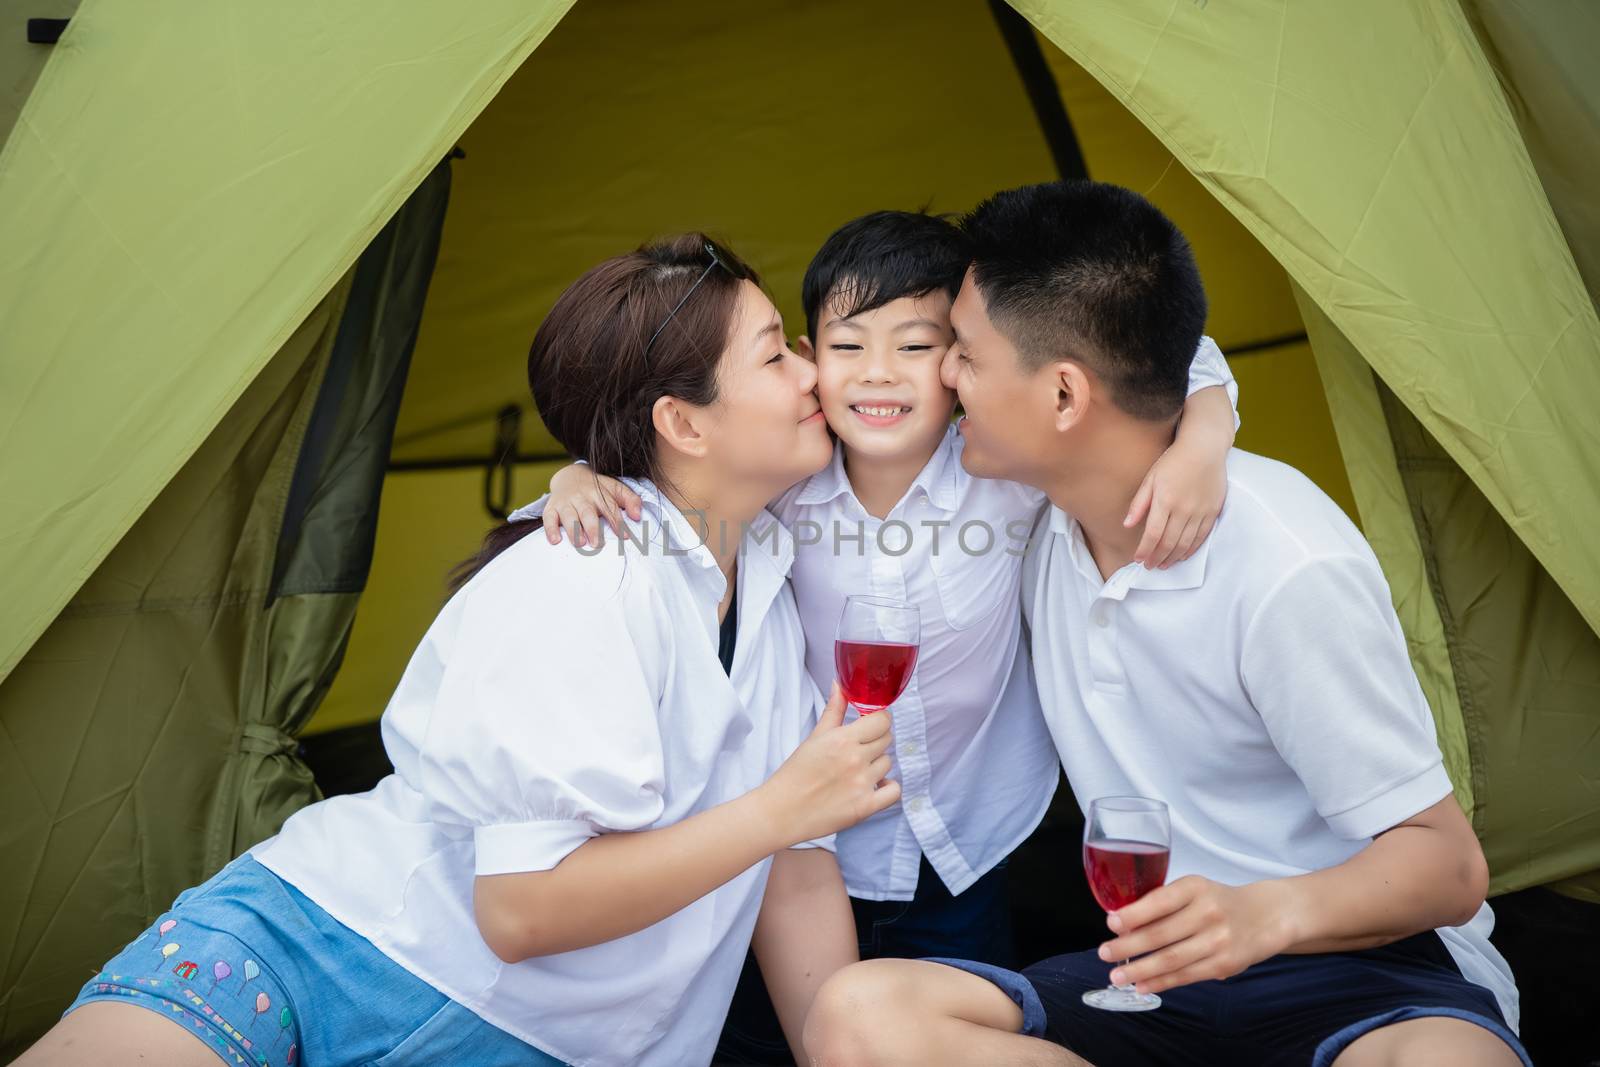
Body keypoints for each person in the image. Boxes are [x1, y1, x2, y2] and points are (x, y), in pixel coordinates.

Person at [16, 235, 900, 1067]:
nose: (815, 372)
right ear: (684, 423)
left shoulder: (769, 588)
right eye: (775, 355)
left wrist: (843, 1042)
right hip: (320, 951)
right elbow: (520, 906)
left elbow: (792, 869)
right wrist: (779, 810)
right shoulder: (582, 579)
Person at [801, 182, 1529, 1067]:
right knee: (859, 1016)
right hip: (1155, 978)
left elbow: (1449, 869)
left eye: (965, 356)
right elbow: (1164, 351)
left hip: (1365, 972)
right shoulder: (1029, 520)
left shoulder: (1286, 565)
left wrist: (1263, 912)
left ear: (1064, 397)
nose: (942, 374)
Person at [534, 210, 1240, 1061]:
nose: (880, 375)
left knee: (958, 1034)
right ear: (805, 359)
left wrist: (1206, 434)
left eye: (915, 347)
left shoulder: (1004, 475)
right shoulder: (783, 480)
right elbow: (671, 467)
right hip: (802, 858)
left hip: (967, 847)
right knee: (786, 1039)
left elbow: (1166, 349)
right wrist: (578, 472)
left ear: (960, 364)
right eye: (848, 346)